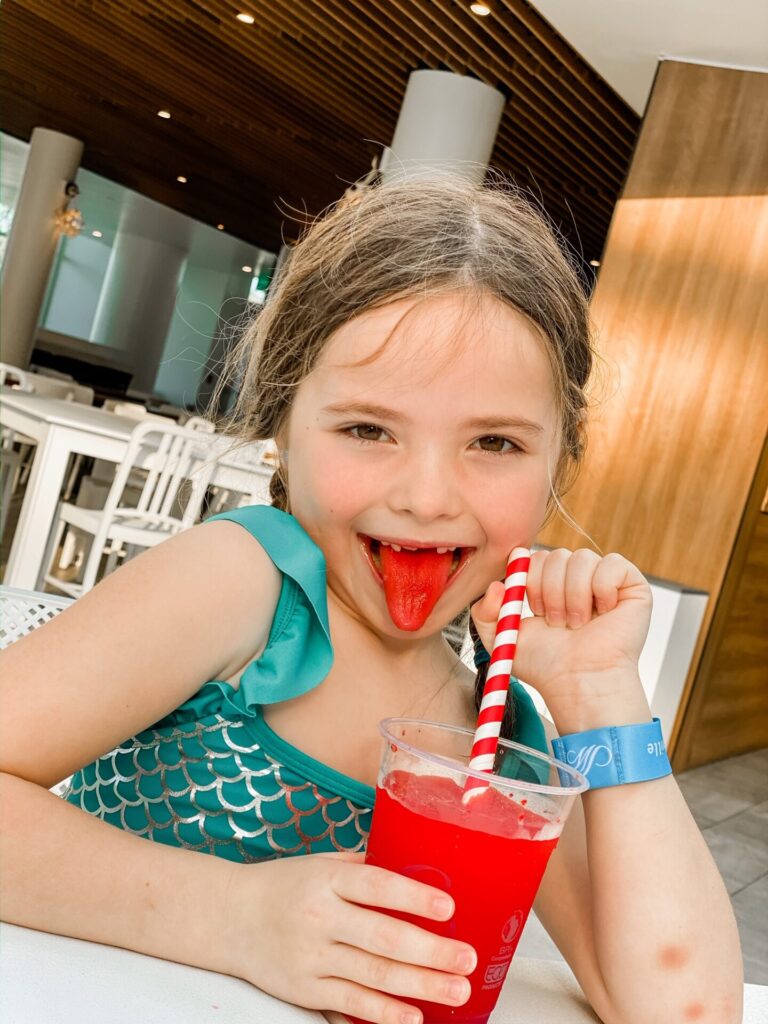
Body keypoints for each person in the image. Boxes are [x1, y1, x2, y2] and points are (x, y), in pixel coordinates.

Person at [1, 177, 742, 1024]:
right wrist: (235, 917)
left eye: (494, 442)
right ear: (283, 424)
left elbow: (685, 1008)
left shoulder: (496, 741)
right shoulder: (244, 587)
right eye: (367, 429)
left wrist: (601, 696)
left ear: (558, 466)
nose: (427, 498)